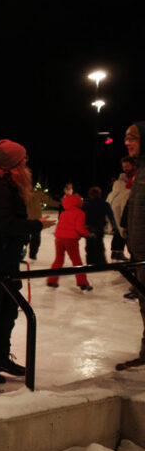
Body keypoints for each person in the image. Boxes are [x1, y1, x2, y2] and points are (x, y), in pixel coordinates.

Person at [0, 140, 53, 389]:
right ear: (13, 164)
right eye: (22, 158)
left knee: (7, 310)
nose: (26, 161)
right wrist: (37, 225)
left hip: (4, 258)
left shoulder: (7, 183)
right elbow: (6, 224)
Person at [122, 122, 145, 364]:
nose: (127, 142)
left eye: (133, 138)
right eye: (126, 138)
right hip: (139, 250)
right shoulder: (140, 171)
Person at [45, 193, 92, 291]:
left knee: (58, 259)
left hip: (59, 238)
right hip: (71, 239)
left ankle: (52, 280)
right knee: (77, 261)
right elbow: (79, 228)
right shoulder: (80, 213)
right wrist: (88, 234)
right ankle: (82, 283)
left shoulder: (63, 213)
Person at [107, 156, 135, 261]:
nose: (125, 169)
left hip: (124, 212)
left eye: (127, 166)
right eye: (123, 167)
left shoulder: (134, 179)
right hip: (122, 212)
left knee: (121, 233)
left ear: (133, 165)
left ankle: (117, 252)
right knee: (123, 233)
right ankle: (121, 254)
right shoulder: (121, 182)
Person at [82, 186, 117, 267]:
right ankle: (100, 262)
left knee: (89, 245)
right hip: (99, 227)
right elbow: (111, 216)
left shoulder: (86, 204)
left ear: (90, 194)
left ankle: (90, 261)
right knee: (99, 244)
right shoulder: (104, 204)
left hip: (88, 227)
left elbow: (81, 215)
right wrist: (114, 225)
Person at [26, 185, 59, 260]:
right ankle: (20, 254)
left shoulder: (38, 194)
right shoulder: (22, 194)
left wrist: (60, 204)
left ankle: (32, 255)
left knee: (36, 239)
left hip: (37, 220)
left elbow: (49, 201)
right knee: (23, 238)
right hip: (26, 220)